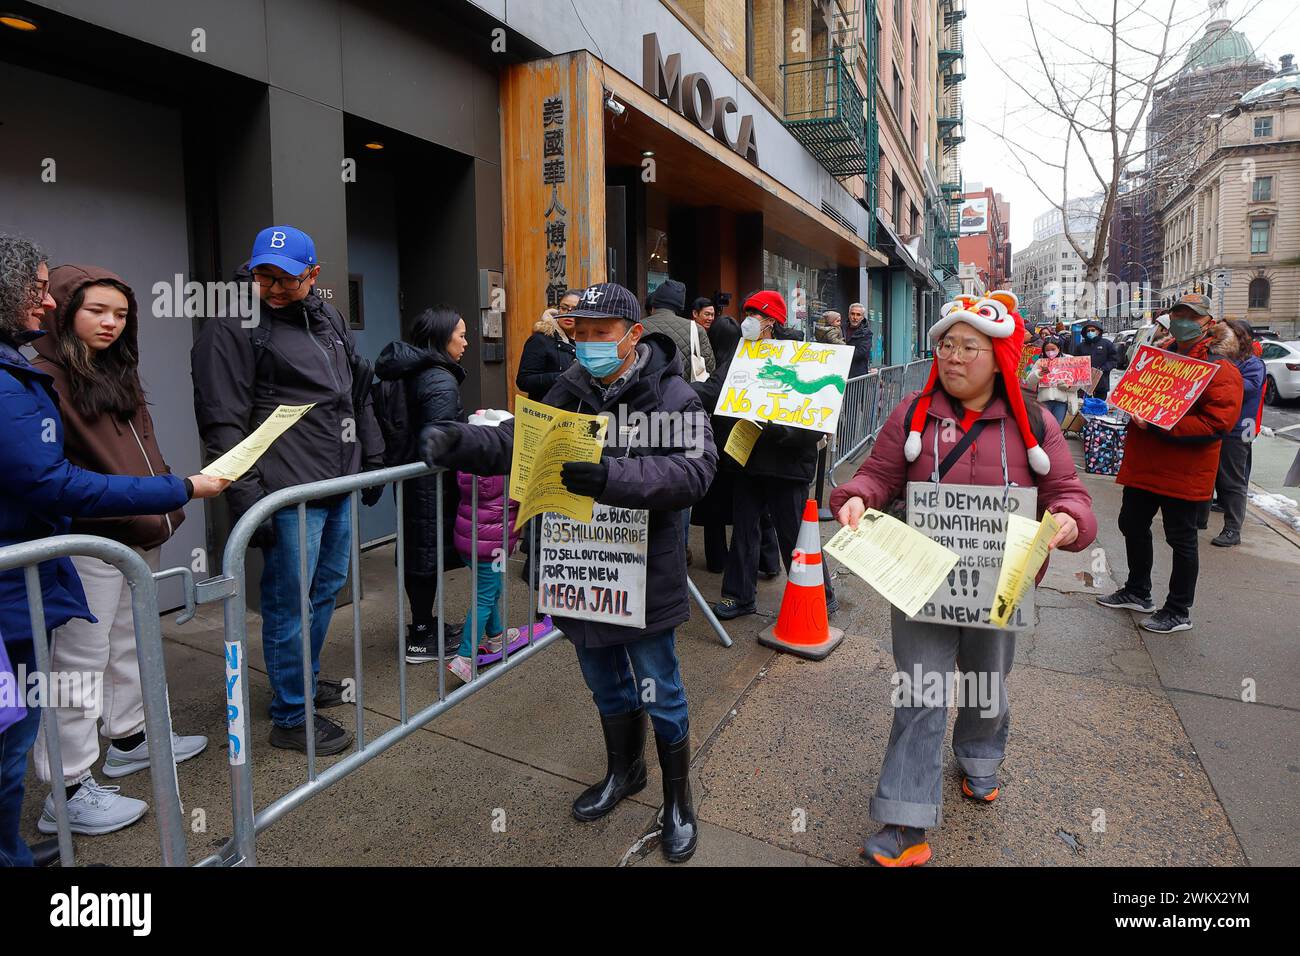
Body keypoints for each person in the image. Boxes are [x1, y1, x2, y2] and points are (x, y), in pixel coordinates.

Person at [419, 282, 714, 862]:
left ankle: (678, 801)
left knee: (660, 684)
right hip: (579, 569)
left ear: (632, 336)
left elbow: (696, 472)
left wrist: (612, 477)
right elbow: (516, 440)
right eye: (578, 334)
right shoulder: (570, 388)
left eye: (599, 334)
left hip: (644, 573)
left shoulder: (673, 394)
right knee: (603, 677)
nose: (585, 345)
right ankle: (624, 772)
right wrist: (459, 442)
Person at [830, 290, 1097, 867]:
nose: (952, 357)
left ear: (997, 355)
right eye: (946, 345)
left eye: (967, 347)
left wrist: (1071, 521)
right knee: (921, 692)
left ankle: (979, 760)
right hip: (921, 580)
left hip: (1001, 586)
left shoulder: (1035, 422)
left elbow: (1068, 493)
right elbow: (877, 476)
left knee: (987, 682)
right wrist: (853, 499)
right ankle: (904, 818)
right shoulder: (912, 415)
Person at [0, 236, 225, 867]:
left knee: (127, 643)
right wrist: (174, 490)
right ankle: (67, 787)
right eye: (95, 310)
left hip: (134, 534)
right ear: (67, 310)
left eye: (121, 313)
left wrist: (164, 508)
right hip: (87, 542)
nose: (110, 322)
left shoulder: (113, 369)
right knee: (78, 660)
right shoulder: (39, 374)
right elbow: (48, 476)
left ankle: (128, 737)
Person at [191, 225, 385, 757]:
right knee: (287, 606)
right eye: (263, 276)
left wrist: (370, 458)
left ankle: (302, 678)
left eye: (286, 278)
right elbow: (223, 424)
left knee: (323, 594)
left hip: (336, 483)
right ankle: (290, 715)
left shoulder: (327, 317)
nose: (273, 288)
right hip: (284, 492)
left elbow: (353, 394)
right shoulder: (232, 327)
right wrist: (251, 504)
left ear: (313, 274)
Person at [1097, 293, 1243, 633]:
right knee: (1131, 523)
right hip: (1146, 464)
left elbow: (1216, 424)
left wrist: (1164, 423)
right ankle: (1137, 590)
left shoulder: (1220, 369)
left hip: (1185, 470)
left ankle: (1178, 609)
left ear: (1208, 322)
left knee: (1181, 538)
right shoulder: (1158, 357)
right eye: (1178, 313)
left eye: (1191, 316)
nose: (1183, 321)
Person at [707, 291, 837, 621]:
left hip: (787, 462)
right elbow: (715, 391)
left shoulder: (801, 357)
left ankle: (821, 596)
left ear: (772, 323)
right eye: (747, 312)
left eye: (756, 315)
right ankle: (738, 596)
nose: (749, 320)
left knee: (794, 533)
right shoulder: (740, 355)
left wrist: (777, 430)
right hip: (748, 460)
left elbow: (813, 417)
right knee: (745, 530)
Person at [375, 307, 469, 663]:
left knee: (419, 552)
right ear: (442, 338)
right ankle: (421, 637)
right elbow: (442, 437)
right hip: (430, 484)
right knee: (425, 556)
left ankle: (423, 626)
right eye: (460, 335)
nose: (466, 342)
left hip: (414, 479)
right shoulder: (438, 379)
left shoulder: (411, 371)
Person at [447, 411, 546, 682]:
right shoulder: (503, 470)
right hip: (492, 545)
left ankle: (496, 636)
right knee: (484, 596)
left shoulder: (467, 466)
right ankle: (465, 657)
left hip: (469, 542)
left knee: (492, 589)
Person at [1196, 319, 1264, 548]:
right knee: (1207, 473)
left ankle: (1232, 529)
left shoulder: (1253, 364)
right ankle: (1199, 519)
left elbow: (1245, 388)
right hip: (1215, 425)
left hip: (1238, 430)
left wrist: (1216, 377)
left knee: (1233, 481)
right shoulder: (1219, 359)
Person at [642, 279, 715, 381]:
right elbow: (710, 367)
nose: (711, 318)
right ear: (680, 306)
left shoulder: (637, 327)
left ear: (653, 304)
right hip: (684, 393)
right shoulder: (696, 329)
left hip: (644, 394)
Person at [516, 307, 576, 403]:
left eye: (575, 309)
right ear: (558, 311)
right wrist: (564, 377)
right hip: (548, 410)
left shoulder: (588, 341)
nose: (568, 313)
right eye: (564, 308)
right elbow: (524, 381)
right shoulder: (541, 340)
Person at [1024, 339, 1072, 424]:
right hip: (1044, 401)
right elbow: (1029, 381)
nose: (1050, 352)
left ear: (1059, 348)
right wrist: (1039, 373)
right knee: (1044, 426)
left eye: (1053, 349)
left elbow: (1077, 380)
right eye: (1047, 350)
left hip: (1061, 402)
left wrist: (1068, 385)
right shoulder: (1040, 362)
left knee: (1056, 426)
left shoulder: (1069, 360)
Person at [1074, 319, 1117, 400]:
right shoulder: (1080, 346)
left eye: (1093, 330)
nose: (1090, 332)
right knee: (1084, 405)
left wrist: (1104, 368)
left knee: (1099, 405)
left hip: (1101, 381)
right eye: (1088, 330)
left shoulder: (1107, 344)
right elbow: (1075, 362)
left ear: (1098, 331)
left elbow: (1113, 360)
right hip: (1084, 383)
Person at [846, 302, 872, 377]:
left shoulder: (867, 333)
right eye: (852, 314)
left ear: (862, 317)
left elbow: (861, 353)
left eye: (858, 314)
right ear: (849, 315)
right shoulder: (841, 328)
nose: (855, 317)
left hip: (857, 376)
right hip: (841, 372)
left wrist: (843, 353)